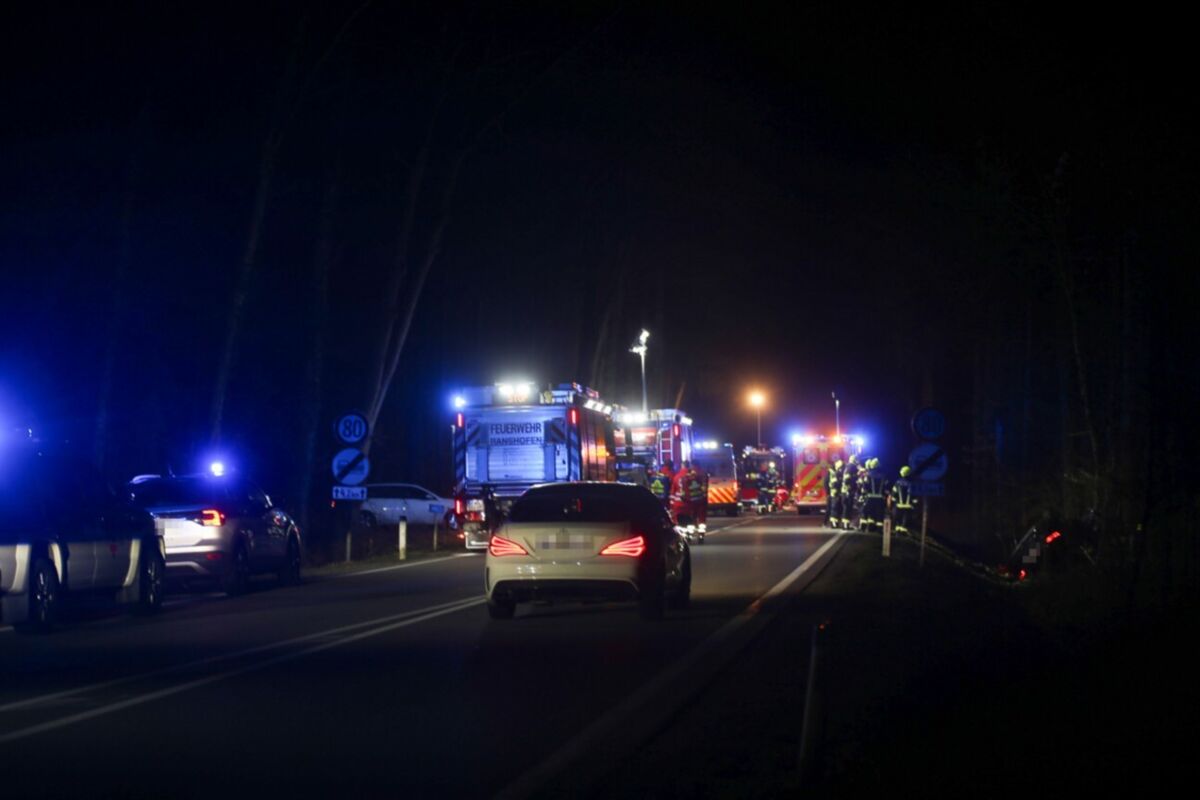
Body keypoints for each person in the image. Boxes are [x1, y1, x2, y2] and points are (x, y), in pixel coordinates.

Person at [861, 458, 888, 533]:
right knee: (879, 514)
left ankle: (864, 527)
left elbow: (865, 486)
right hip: (880, 498)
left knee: (867, 512)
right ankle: (879, 529)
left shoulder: (868, 475)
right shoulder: (883, 476)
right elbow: (886, 488)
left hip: (869, 497)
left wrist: (863, 495)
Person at [889, 465, 918, 536]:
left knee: (898, 522)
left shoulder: (897, 483)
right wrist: (914, 506)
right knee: (904, 523)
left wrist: (892, 503)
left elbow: (893, 495)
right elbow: (914, 497)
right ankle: (902, 535)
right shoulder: (912, 484)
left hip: (898, 506)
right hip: (908, 507)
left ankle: (897, 534)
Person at [841, 454, 861, 529]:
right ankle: (846, 525)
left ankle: (845, 524)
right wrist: (856, 476)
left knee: (847, 508)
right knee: (847, 508)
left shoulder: (848, 466)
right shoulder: (851, 467)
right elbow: (848, 479)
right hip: (848, 491)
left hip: (846, 491)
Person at [827, 458, 844, 528]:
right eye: (841, 467)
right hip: (835, 493)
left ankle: (835, 523)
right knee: (835, 508)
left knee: (836, 508)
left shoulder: (837, 473)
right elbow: (834, 484)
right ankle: (833, 523)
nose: (842, 469)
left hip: (836, 493)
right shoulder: (836, 474)